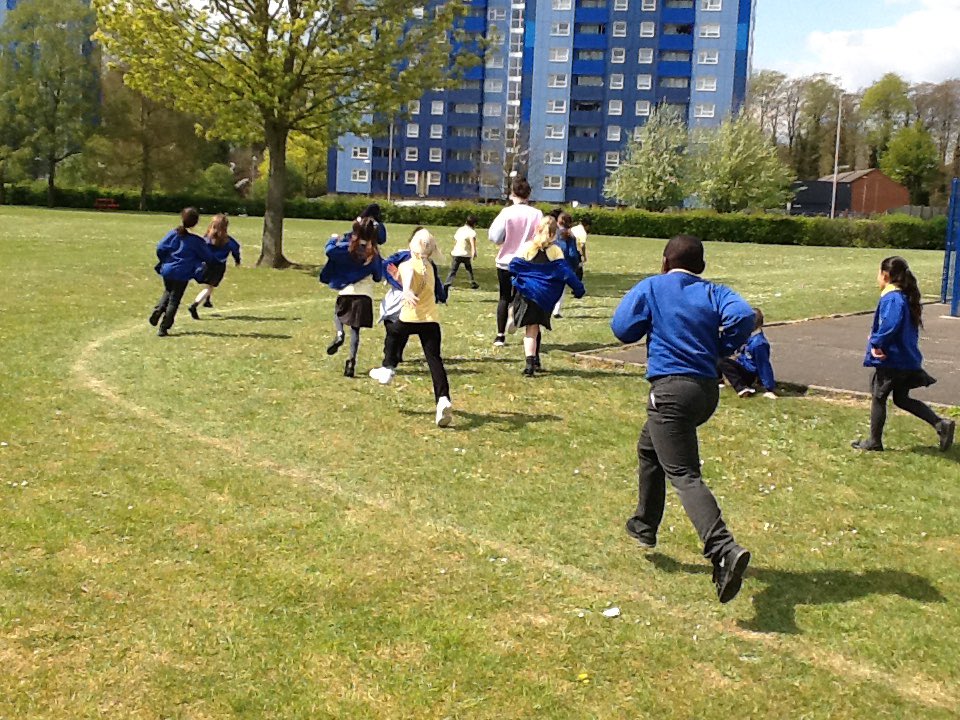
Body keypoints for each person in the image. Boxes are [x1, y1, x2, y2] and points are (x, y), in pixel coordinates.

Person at [611, 235, 756, 603]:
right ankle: (644, 524)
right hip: (706, 391)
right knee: (649, 448)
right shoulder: (715, 292)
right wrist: (722, 346)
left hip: (671, 391)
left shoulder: (654, 287)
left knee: (685, 474)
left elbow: (621, 327)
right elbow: (744, 316)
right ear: (701, 267)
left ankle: (723, 548)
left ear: (663, 262)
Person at [851, 256, 955, 452]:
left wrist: (876, 342)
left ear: (886, 275)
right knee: (901, 399)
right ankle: (941, 425)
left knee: (878, 397)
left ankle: (874, 442)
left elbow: (891, 325)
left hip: (893, 359)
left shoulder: (893, 298)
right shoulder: (905, 297)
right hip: (906, 358)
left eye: (878, 274)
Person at [370, 229, 453, 427]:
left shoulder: (408, 264)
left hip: (409, 318)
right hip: (431, 321)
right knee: (435, 361)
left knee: (393, 335)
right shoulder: (430, 267)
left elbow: (407, 277)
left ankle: (387, 368)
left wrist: (405, 290)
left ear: (411, 246)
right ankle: (443, 399)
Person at [508, 216, 585, 376]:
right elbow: (566, 273)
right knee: (535, 327)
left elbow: (514, 266)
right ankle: (534, 361)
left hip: (527, 294)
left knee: (531, 329)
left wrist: (517, 279)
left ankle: (530, 363)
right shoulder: (555, 251)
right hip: (544, 297)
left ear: (537, 230)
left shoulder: (528, 247)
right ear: (554, 234)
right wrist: (579, 289)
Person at [318, 217, 383, 377]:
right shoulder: (373, 253)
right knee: (356, 330)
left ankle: (339, 334)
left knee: (338, 314)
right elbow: (378, 276)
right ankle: (351, 362)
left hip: (346, 291)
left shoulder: (347, 248)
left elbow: (329, 250)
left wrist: (333, 239)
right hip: (365, 295)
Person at [488, 177, 543, 347]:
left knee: (504, 297)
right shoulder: (537, 214)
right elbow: (541, 237)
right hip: (528, 262)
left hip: (506, 261)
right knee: (526, 297)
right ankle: (523, 325)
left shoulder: (507, 213)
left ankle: (500, 336)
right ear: (528, 194)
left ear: (512, 193)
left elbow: (494, 236)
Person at [149, 207, 218, 337]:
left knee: (168, 290)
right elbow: (208, 256)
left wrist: (165, 261)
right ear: (195, 222)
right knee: (174, 299)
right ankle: (164, 327)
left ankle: (158, 309)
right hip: (183, 272)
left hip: (168, 269)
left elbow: (160, 248)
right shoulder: (196, 241)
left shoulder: (173, 234)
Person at [187, 214, 241, 319]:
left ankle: (207, 301)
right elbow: (236, 249)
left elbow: (199, 249)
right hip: (218, 266)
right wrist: (237, 261)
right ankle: (195, 305)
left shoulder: (207, 238)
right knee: (210, 287)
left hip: (205, 264)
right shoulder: (228, 241)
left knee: (209, 284)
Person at [718, 308, 777, 398]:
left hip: (748, 373)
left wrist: (769, 389)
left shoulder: (759, 344)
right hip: (741, 363)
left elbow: (763, 365)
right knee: (717, 352)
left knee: (722, 361)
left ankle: (741, 388)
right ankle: (718, 380)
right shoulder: (748, 335)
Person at [552, 212, 583, 318]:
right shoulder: (570, 236)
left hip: (552, 263)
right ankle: (556, 310)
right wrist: (576, 264)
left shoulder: (553, 234)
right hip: (565, 264)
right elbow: (572, 253)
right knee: (561, 288)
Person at [444, 215, 479, 289]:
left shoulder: (460, 229)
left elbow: (456, 240)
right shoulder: (472, 232)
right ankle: (472, 282)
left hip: (456, 253)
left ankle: (448, 282)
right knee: (469, 269)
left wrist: (453, 250)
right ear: (474, 224)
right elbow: (472, 243)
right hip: (465, 254)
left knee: (453, 270)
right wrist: (474, 252)